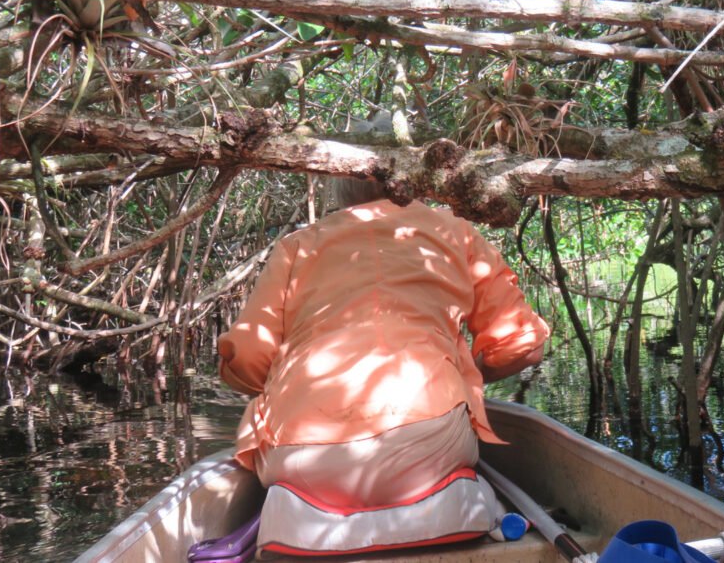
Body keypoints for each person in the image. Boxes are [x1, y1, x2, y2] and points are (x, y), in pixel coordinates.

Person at [216, 176, 550, 543]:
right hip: (428, 449)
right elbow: (524, 344)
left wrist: (280, 390)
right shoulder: (456, 232)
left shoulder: (296, 246)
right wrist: (466, 381)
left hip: (301, 460)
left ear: (340, 189)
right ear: (413, 179)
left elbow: (246, 356)